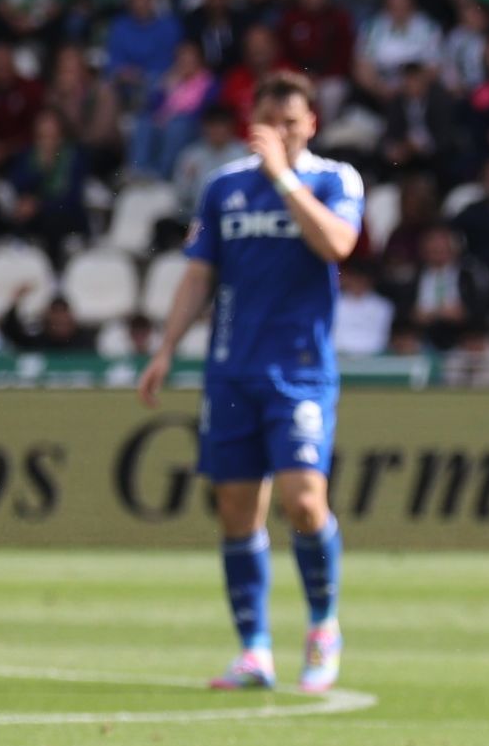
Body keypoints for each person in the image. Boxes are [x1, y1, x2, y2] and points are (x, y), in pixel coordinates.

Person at [139, 71, 363, 693]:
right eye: (271, 123)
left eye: (293, 123)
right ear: (253, 125)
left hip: (299, 371)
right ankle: (254, 651)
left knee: (303, 500)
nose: (282, 133)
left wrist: (284, 178)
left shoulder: (333, 180)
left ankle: (322, 626)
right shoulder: (223, 188)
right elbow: (197, 276)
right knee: (237, 510)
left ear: (311, 124)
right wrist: (164, 350)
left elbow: (338, 244)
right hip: (231, 370)